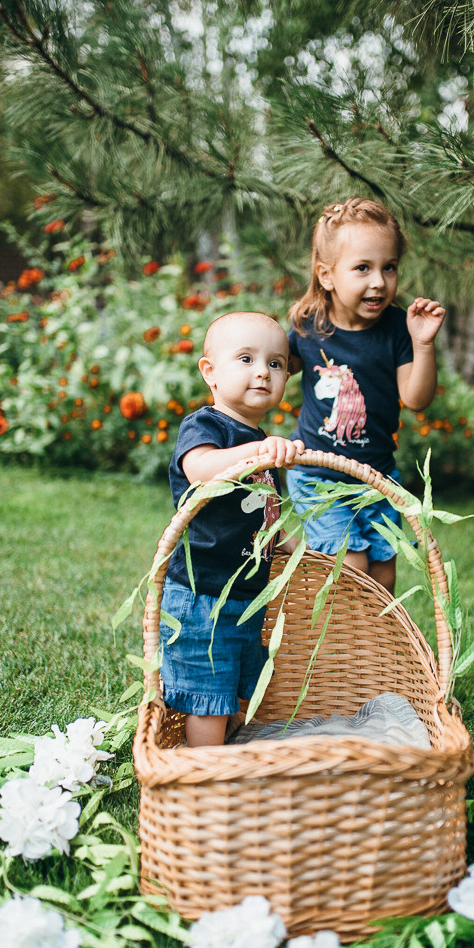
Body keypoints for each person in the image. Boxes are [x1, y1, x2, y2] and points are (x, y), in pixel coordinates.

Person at [286, 196, 445, 594]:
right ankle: (334, 650)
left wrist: (423, 344)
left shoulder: (397, 327)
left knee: (383, 576)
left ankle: (370, 653)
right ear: (326, 275)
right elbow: (274, 371)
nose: (379, 281)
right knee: (350, 567)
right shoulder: (309, 327)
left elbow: (417, 399)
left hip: (377, 476)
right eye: (362, 268)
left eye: (388, 267)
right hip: (318, 475)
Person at [161, 311, 304, 748]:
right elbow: (200, 470)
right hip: (203, 596)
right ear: (211, 373)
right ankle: (209, 774)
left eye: (276, 364)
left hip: (245, 596)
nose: (263, 371)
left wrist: (284, 540)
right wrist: (259, 451)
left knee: (239, 686)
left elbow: (261, 510)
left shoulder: (261, 439)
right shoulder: (207, 427)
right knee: (210, 696)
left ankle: (229, 752)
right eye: (246, 358)